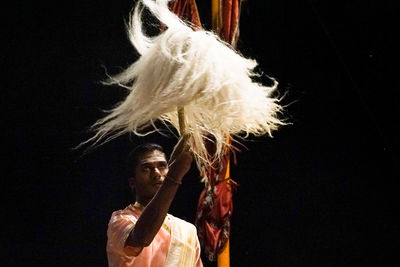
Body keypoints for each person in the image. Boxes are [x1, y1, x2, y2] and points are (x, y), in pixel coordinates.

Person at [106, 138, 203, 267]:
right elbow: (142, 238)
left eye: (162, 166)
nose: (157, 173)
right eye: (146, 168)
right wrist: (173, 177)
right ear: (132, 182)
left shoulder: (187, 230)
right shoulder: (120, 220)